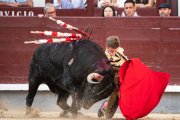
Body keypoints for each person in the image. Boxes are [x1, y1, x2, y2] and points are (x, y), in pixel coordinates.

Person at [97, 36, 128, 118]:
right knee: (109, 115)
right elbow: (101, 71)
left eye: (115, 50)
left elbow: (126, 64)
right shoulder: (104, 57)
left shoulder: (120, 53)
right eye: (112, 51)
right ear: (107, 47)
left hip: (120, 80)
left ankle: (129, 112)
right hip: (112, 81)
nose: (113, 53)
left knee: (123, 95)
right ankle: (105, 108)